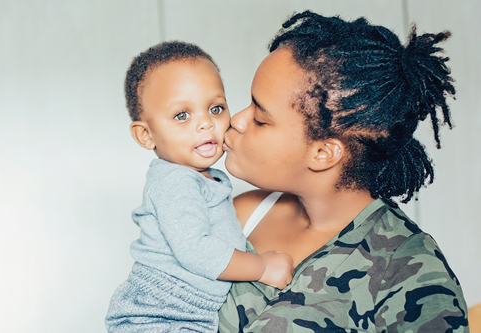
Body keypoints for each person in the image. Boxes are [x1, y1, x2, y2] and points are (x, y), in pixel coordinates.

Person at [218, 11, 469, 332]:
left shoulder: (411, 275)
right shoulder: (239, 214)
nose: (237, 120)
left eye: (260, 118)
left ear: (323, 153)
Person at [105, 41, 293, 333]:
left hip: (187, 314)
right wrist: (262, 268)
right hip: (158, 315)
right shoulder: (174, 181)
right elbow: (196, 250)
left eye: (216, 108)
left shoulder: (203, 177)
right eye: (182, 115)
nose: (206, 123)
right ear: (146, 135)